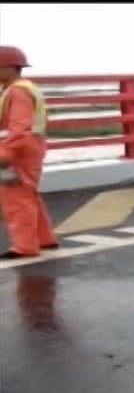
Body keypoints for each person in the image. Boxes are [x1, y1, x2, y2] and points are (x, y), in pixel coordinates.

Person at [0, 45, 58, 259]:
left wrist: (5, 154)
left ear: (9, 67)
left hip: (19, 150)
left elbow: (19, 128)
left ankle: (24, 246)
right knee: (27, 194)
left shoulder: (16, 92)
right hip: (31, 147)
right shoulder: (25, 87)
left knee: (16, 198)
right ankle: (44, 238)